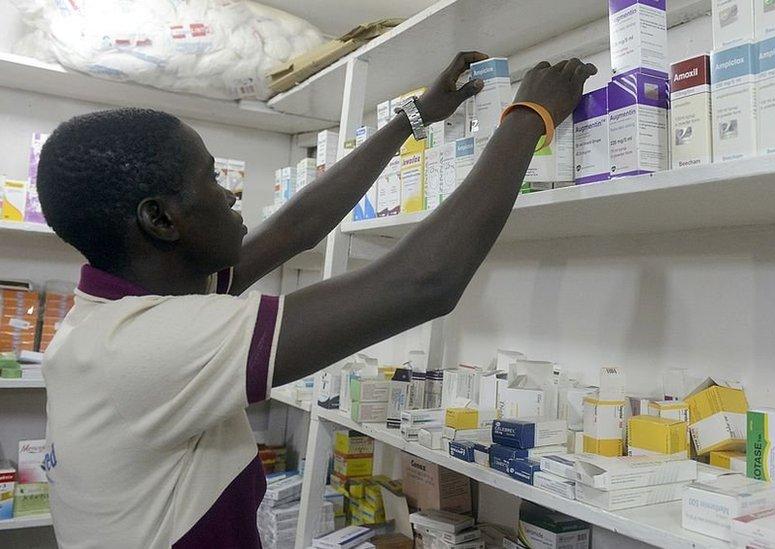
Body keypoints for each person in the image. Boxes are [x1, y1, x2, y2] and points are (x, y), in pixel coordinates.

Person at [35, 52, 597, 548]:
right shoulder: (143, 345)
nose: (230, 193)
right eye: (210, 179)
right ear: (161, 219)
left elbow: (297, 226)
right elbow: (424, 282)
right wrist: (530, 118)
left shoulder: (135, 303)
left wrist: (416, 117)